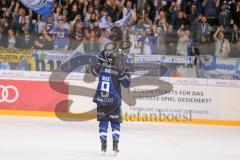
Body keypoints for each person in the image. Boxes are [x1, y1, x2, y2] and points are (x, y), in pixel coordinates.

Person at [91, 50, 131, 154]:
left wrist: (99, 62)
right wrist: (127, 71)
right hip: (114, 103)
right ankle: (115, 146)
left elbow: (93, 72)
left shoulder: (101, 68)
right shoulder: (118, 71)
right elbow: (126, 84)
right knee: (115, 124)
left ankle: (103, 147)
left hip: (101, 101)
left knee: (103, 123)